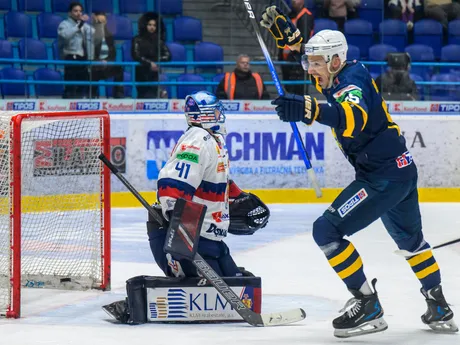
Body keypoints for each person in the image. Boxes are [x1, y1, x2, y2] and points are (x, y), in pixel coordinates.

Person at [261, 6, 458, 338]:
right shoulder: (336, 71)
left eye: (317, 62)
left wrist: (308, 109)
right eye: (310, 61)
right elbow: (315, 68)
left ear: (336, 61)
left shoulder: (352, 81)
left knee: (326, 231)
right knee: (411, 242)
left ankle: (367, 303)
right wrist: (296, 44)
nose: (311, 69)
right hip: (401, 171)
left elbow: (352, 117)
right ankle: (438, 304)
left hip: (381, 177)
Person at [102, 91, 270, 324]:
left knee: (240, 283)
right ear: (208, 115)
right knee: (214, 294)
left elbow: (220, 182)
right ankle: (138, 300)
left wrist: (240, 197)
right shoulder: (197, 141)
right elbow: (173, 186)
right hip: (179, 236)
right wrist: (179, 227)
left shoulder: (213, 141)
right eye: (217, 111)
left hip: (207, 239)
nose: (222, 115)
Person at [57, 2, 94, 98]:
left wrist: (91, 22)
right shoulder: (64, 24)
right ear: (70, 13)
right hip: (70, 57)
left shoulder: (83, 25)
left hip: (82, 58)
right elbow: (65, 36)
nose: (78, 13)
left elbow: (93, 33)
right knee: (70, 85)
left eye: (80, 11)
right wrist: (78, 26)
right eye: (76, 11)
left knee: (83, 84)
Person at [277, 0, 314, 96]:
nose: (294, 2)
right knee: (288, 88)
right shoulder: (290, 15)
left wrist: (292, 55)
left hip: (297, 59)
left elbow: (303, 39)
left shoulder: (305, 16)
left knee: (298, 90)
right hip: (286, 59)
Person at [131, 12, 171, 99]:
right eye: (149, 24)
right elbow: (136, 55)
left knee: (153, 95)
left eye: (154, 25)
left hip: (154, 73)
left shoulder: (159, 40)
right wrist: (149, 63)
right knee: (143, 96)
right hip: (141, 72)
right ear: (145, 25)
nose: (152, 27)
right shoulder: (137, 39)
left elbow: (168, 56)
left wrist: (155, 62)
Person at [89, 12, 124, 98]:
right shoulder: (89, 35)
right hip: (94, 66)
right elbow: (88, 54)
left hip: (106, 65)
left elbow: (113, 53)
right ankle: (92, 94)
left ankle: (118, 94)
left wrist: (107, 61)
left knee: (118, 68)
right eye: (99, 22)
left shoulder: (109, 36)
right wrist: (98, 61)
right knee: (91, 71)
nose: (101, 24)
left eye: (103, 22)